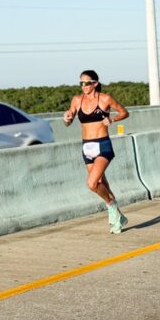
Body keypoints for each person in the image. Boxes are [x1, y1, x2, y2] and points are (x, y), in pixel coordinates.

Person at [63, 70, 130, 234]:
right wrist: (67, 119)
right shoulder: (77, 100)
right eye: (81, 83)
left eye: (86, 83)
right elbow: (69, 121)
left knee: (92, 184)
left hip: (102, 144)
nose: (83, 86)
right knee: (102, 185)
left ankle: (112, 206)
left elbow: (124, 112)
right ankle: (119, 218)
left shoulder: (105, 98)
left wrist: (112, 119)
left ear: (95, 83)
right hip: (86, 147)